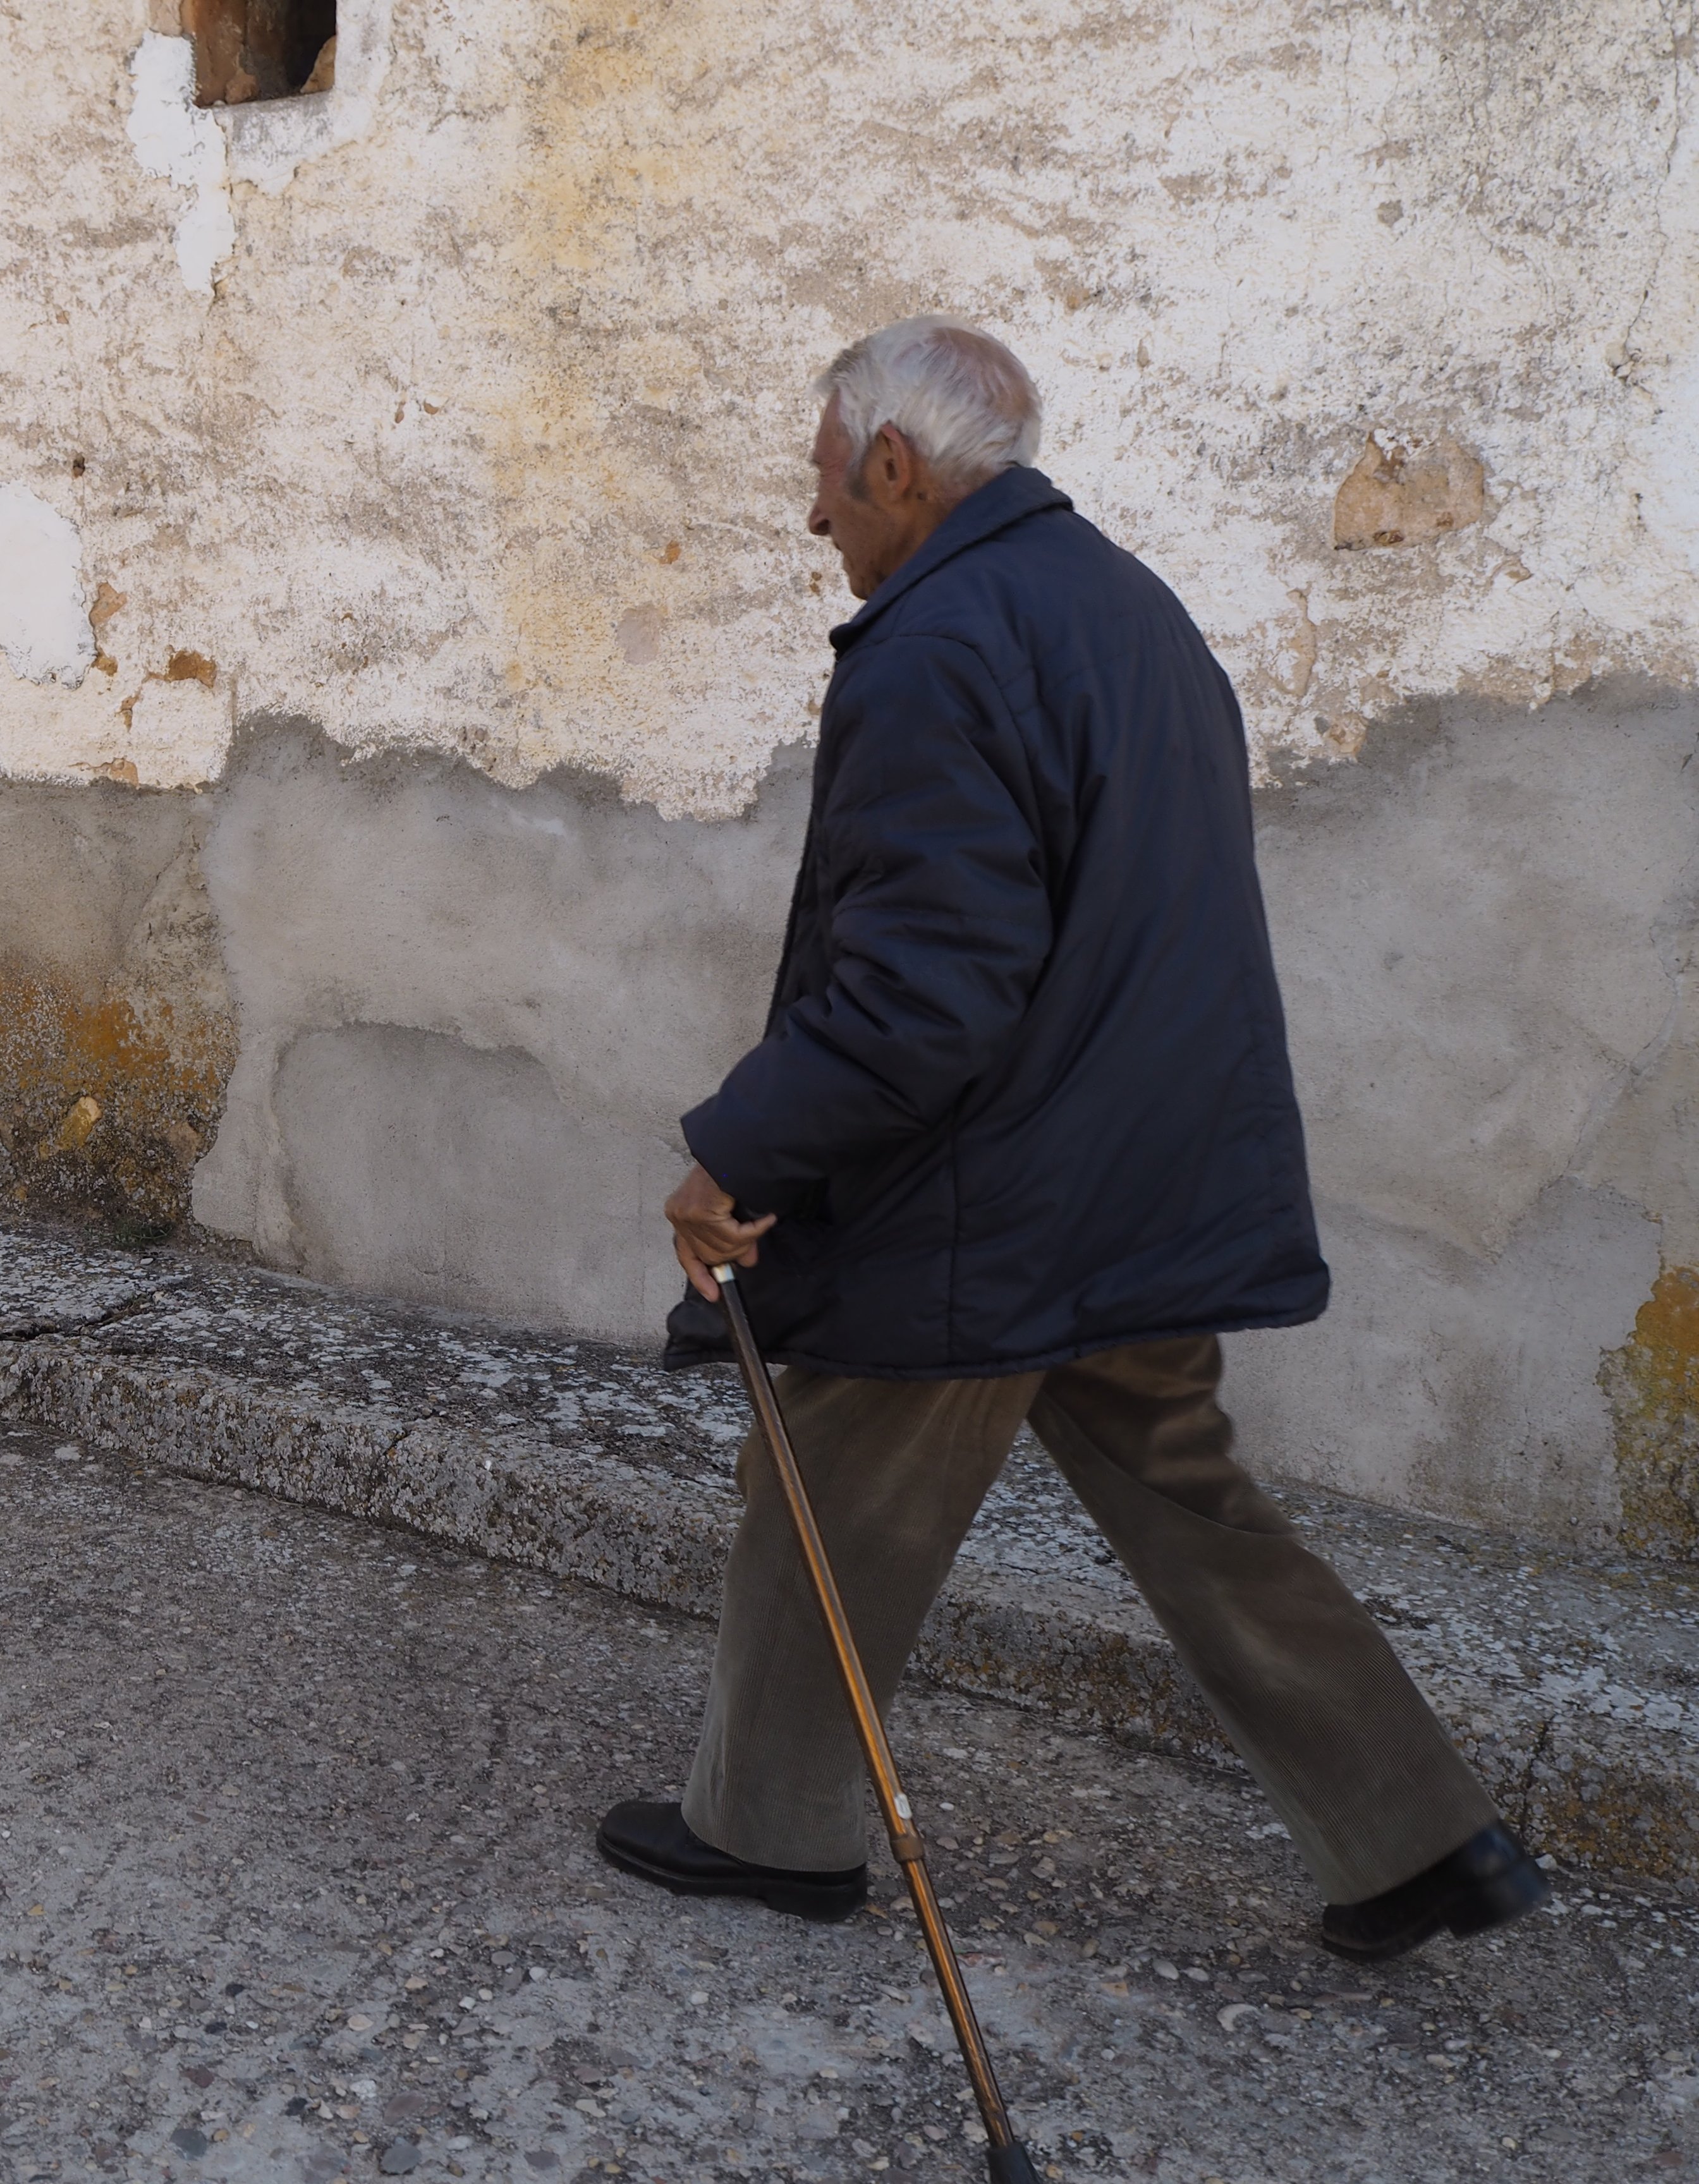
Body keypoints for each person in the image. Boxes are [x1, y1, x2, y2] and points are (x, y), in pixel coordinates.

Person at [594, 317, 1545, 1964]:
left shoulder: (940, 640)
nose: (815, 521)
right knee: (1192, 1503)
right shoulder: (1134, 612)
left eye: (823, 480)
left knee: (825, 1474)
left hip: (997, 1196)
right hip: (1144, 1180)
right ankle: (1421, 1838)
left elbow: (923, 986)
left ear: (895, 465)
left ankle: (769, 1835)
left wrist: (734, 1152)